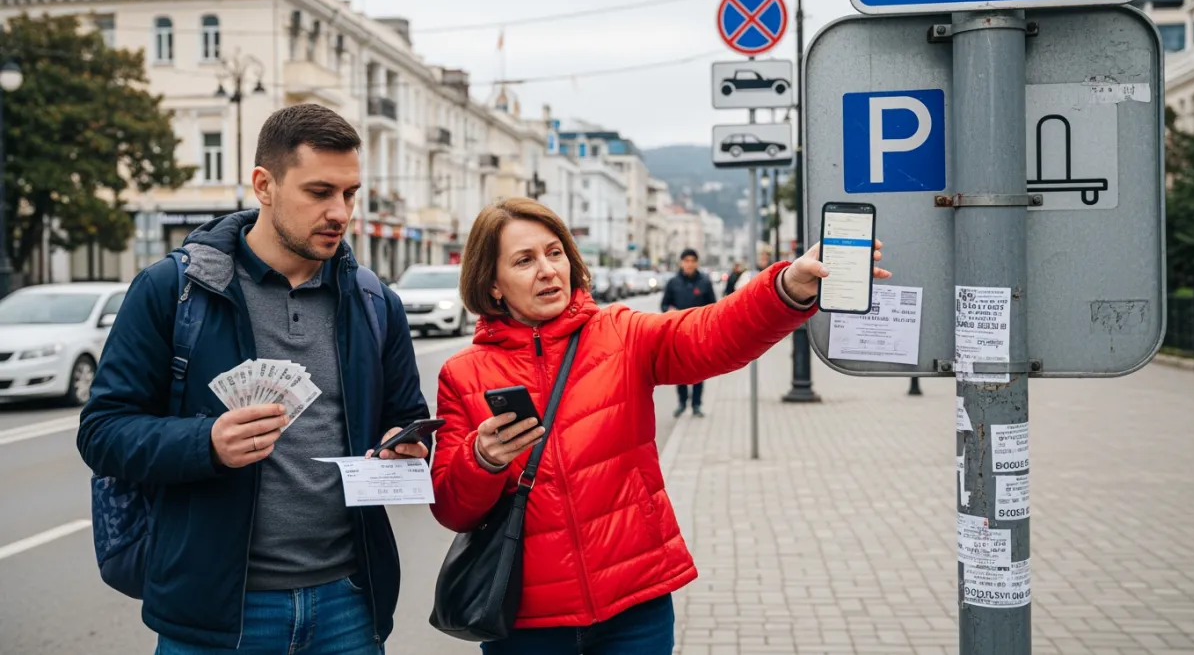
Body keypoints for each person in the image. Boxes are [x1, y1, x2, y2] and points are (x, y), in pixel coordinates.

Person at [428, 197, 890, 655]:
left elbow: (711, 333)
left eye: (555, 252)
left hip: (634, 606)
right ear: (492, 284)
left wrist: (787, 286)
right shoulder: (463, 374)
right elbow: (453, 509)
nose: (548, 270)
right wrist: (481, 459)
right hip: (525, 621)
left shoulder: (620, 333)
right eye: (524, 260)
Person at [77, 104, 430, 654]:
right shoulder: (175, 290)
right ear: (264, 185)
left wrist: (406, 448)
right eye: (319, 192)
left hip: (347, 602)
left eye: (350, 193)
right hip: (220, 610)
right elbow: (102, 432)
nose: (340, 211)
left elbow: (404, 419)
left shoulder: (374, 301)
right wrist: (206, 443)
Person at [660, 248, 718, 418]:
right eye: (686, 261)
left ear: (697, 263)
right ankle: (682, 403)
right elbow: (664, 304)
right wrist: (668, 309)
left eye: (692, 261)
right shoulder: (673, 283)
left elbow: (713, 307)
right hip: (678, 334)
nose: (689, 264)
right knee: (680, 371)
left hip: (699, 334)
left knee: (699, 370)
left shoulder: (705, 282)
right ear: (681, 262)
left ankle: (697, 404)